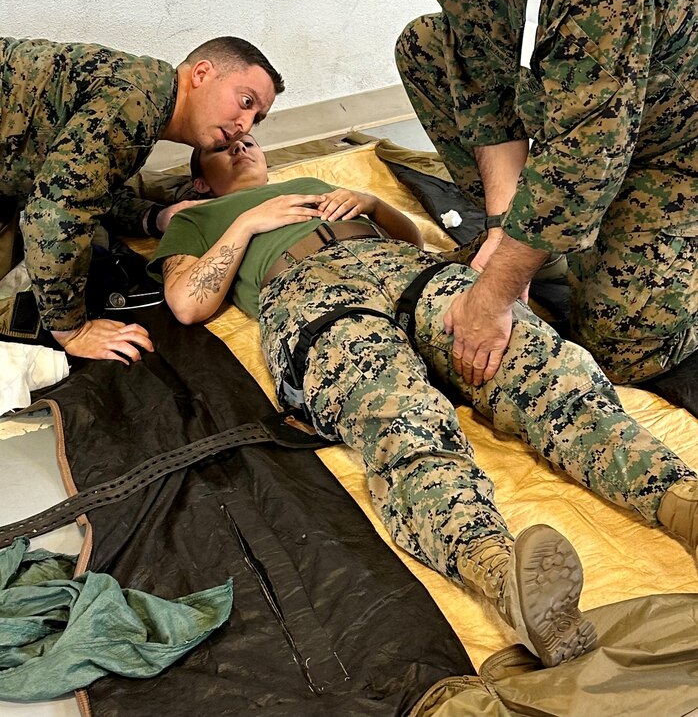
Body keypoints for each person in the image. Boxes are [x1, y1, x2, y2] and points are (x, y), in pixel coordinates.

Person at [149, 134, 698, 668]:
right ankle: (504, 577)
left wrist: (374, 205)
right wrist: (246, 224)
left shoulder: (312, 182)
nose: (242, 145)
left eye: (249, 140)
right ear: (199, 178)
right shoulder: (197, 220)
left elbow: (410, 236)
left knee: (541, 366)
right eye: (223, 147)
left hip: (404, 267)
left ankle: (680, 499)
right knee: (399, 417)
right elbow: (187, 303)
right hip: (309, 292)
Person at [380, 0, 698, 390]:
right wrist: (505, 232)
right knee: (425, 46)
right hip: (567, 110)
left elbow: (584, 159)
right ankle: (542, 239)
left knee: (622, 349)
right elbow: (484, 86)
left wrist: (494, 294)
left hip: (671, 145)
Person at [0, 35, 284, 363]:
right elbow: (57, 212)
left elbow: (89, 187)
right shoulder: (134, 104)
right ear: (202, 74)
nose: (244, 127)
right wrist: (71, 329)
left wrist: (153, 218)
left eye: (256, 119)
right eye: (246, 102)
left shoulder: (146, 100)